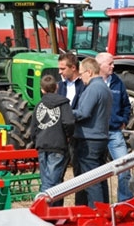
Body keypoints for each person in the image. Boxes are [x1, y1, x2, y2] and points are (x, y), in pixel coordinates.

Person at [72, 57, 113, 208]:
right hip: (101, 137)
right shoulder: (104, 88)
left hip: (89, 139)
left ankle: (96, 211)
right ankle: (104, 209)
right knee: (100, 177)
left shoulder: (93, 89)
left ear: (89, 72)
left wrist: (66, 113)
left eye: (81, 73)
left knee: (91, 180)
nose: (81, 77)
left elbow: (83, 113)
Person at [30, 74, 75, 206]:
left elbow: (33, 128)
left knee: (47, 180)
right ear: (56, 87)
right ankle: (45, 209)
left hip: (42, 146)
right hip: (58, 145)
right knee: (53, 183)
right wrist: (68, 135)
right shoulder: (64, 103)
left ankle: (53, 212)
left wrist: (36, 140)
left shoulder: (39, 105)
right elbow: (69, 122)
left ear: (42, 89)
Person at [96, 52, 134, 202]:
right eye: (110, 64)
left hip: (114, 132)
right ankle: (100, 202)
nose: (113, 66)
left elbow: (126, 104)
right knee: (96, 172)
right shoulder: (91, 83)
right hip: (96, 134)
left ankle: (125, 202)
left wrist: (122, 120)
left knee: (125, 168)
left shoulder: (117, 82)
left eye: (113, 63)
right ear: (99, 66)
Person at [57, 52, 87, 205]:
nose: (60, 72)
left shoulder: (84, 86)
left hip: (78, 135)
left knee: (79, 173)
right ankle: (57, 208)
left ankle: (80, 206)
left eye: (62, 69)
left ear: (73, 68)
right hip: (62, 136)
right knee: (58, 174)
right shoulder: (60, 86)